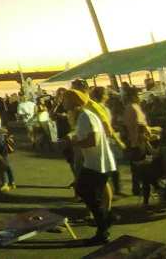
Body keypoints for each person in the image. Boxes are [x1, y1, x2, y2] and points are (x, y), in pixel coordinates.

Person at [65, 89, 117, 245]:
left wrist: (74, 142)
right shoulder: (83, 115)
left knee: (87, 192)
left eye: (65, 100)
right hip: (95, 163)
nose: (63, 103)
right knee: (88, 192)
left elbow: (92, 141)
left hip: (98, 164)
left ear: (73, 101)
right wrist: (73, 136)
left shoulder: (85, 116)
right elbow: (87, 134)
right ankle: (105, 222)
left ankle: (104, 229)